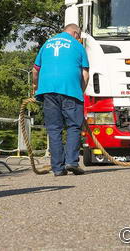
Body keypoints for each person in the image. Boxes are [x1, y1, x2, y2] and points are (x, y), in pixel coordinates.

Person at [32, 23, 90, 177]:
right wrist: (80, 91)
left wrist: (35, 87)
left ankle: (58, 168)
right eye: (79, 37)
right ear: (76, 34)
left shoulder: (47, 43)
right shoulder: (78, 46)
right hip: (70, 89)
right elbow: (85, 74)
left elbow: (35, 71)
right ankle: (72, 162)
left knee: (54, 128)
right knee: (74, 126)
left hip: (48, 90)